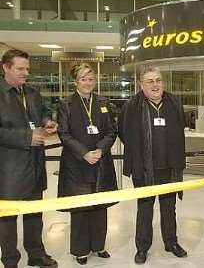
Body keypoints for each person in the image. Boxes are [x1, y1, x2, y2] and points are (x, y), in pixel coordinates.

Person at [119, 66, 187, 265]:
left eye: (158, 80)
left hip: (169, 167)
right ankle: (142, 247)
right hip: (143, 168)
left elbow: (180, 126)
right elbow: (124, 133)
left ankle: (171, 242)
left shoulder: (174, 102)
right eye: (150, 81)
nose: (155, 85)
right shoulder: (131, 106)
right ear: (141, 84)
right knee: (145, 209)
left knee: (169, 207)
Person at [0, 49, 58, 268]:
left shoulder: (32, 93)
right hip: (9, 169)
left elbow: (43, 112)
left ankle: (36, 254)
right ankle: (10, 260)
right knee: (7, 219)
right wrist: (26, 137)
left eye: (27, 69)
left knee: (34, 214)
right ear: (5, 67)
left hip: (35, 164)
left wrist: (48, 122)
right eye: (20, 69)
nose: (25, 73)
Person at [56, 63, 118, 265]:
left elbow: (111, 130)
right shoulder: (66, 104)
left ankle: (99, 245)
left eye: (91, 79)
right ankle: (81, 250)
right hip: (77, 163)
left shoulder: (103, 102)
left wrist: (100, 149)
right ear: (76, 81)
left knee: (100, 206)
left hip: (100, 161)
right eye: (84, 79)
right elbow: (64, 134)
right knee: (81, 207)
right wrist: (84, 153)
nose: (88, 83)